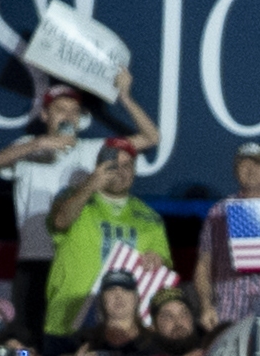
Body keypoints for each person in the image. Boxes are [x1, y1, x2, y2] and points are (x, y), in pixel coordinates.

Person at [0, 72, 155, 334]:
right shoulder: (27, 146)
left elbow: (150, 137)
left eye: (74, 111)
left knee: (69, 337)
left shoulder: (92, 150)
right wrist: (40, 143)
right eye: (60, 110)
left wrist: (125, 96)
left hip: (76, 265)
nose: (68, 116)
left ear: (81, 119)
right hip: (35, 261)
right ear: (45, 115)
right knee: (24, 338)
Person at [42, 138, 170, 335]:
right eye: (113, 165)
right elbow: (61, 221)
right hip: (67, 322)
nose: (121, 171)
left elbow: (162, 264)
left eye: (127, 166)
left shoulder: (150, 217)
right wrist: (90, 184)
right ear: (99, 167)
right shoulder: (72, 198)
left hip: (126, 330)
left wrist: (156, 259)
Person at [195, 141, 260, 323]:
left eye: (257, 164)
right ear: (235, 171)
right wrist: (206, 307)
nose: (251, 170)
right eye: (244, 164)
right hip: (228, 313)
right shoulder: (219, 211)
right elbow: (203, 265)